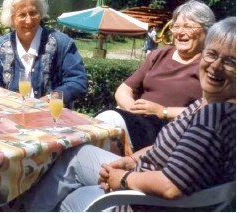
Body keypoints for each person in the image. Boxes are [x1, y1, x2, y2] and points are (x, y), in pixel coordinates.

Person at [22, 17, 236, 212]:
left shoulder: (211, 120)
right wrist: (131, 160)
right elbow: (169, 148)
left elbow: (171, 186)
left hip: (141, 203)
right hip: (144, 176)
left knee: (68, 198)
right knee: (75, 155)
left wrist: (124, 178)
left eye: (230, 62)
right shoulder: (208, 103)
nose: (215, 66)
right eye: (212, 54)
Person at [96, 0, 215, 152]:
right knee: (99, 126)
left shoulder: (210, 64)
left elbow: (210, 108)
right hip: (136, 121)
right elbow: (124, 89)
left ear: (207, 30)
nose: (179, 32)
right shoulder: (159, 55)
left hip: (169, 132)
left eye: (188, 26)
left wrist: (163, 111)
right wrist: (132, 109)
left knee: (106, 122)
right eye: (176, 26)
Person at [0, 0, 87, 108]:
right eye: (22, 15)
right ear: (11, 18)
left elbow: (78, 81)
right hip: (11, 116)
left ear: (41, 13)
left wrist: (49, 99)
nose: (29, 20)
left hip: (51, 117)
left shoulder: (62, 43)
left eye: (33, 13)